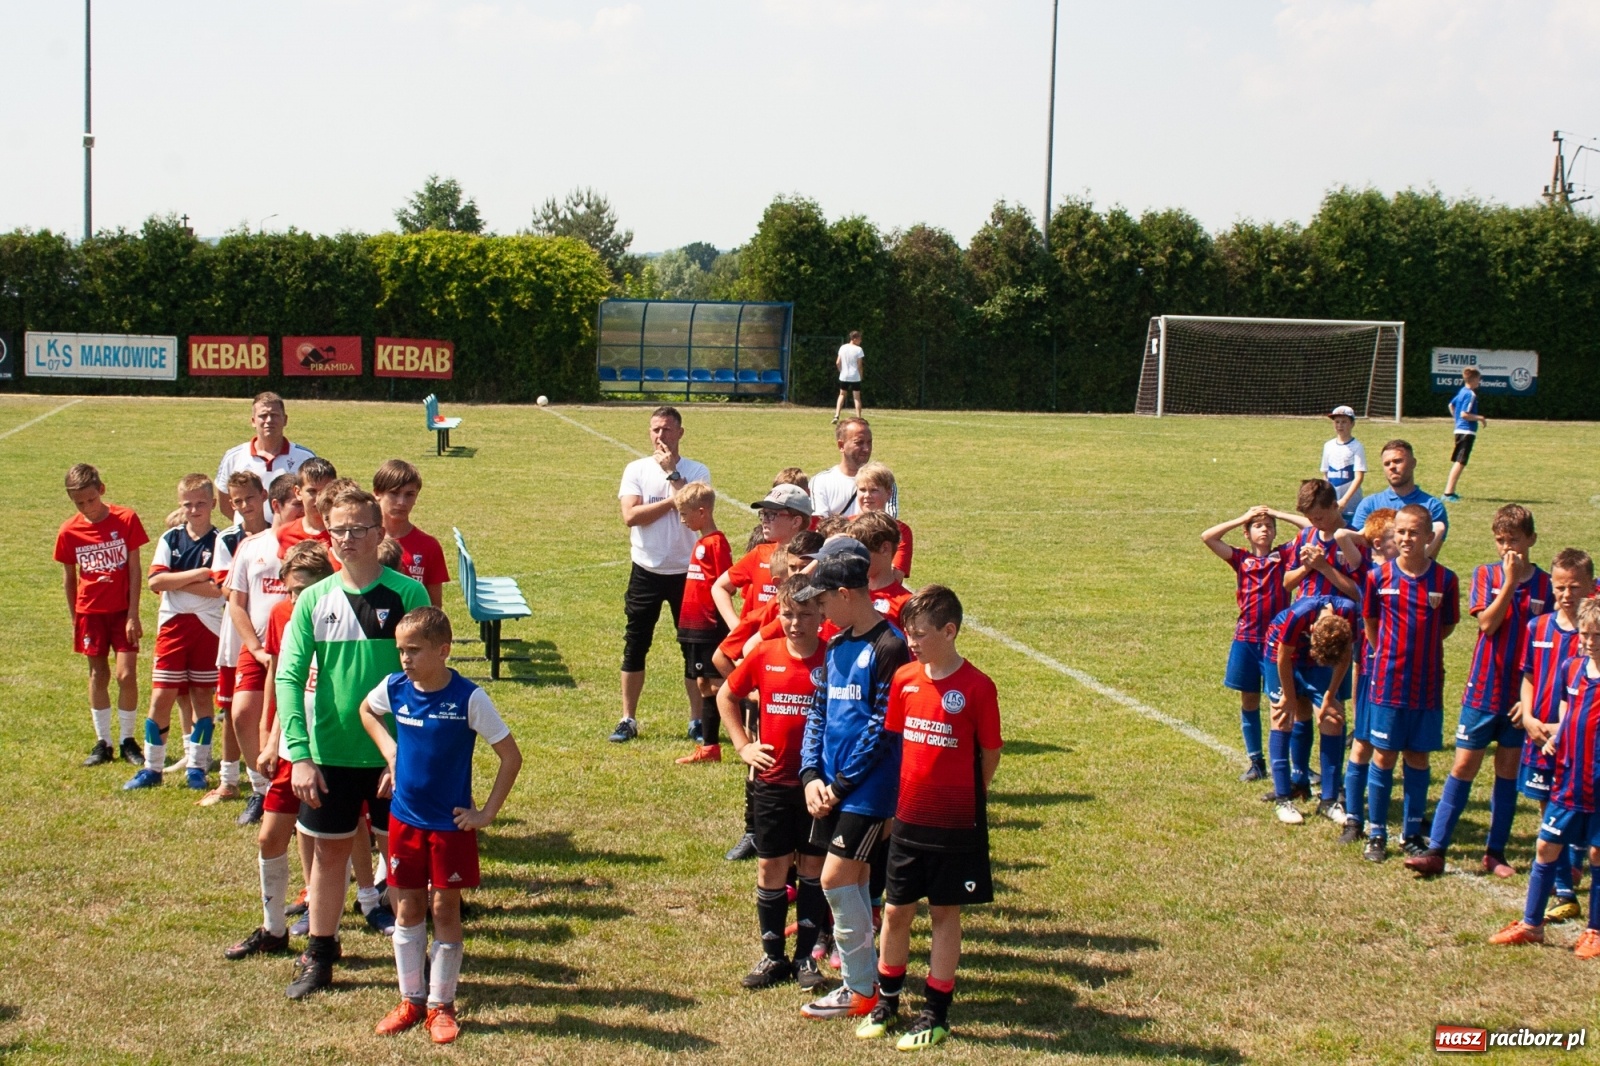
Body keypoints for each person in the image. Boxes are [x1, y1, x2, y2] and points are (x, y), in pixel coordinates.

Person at [276, 483, 431, 999]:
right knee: (329, 857)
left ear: (379, 531)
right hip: (330, 755)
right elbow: (289, 678)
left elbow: (425, 681)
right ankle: (321, 954)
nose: (348, 538)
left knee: (405, 861)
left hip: (394, 756)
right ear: (328, 536)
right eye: (339, 529)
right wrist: (299, 754)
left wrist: (403, 752)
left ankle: (416, 959)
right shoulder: (314, 600)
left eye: (359, 529)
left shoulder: (408, 595)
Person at [362, 606, 522, 1044]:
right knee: (407, 907)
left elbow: (511, 756)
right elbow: (366, 710)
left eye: (414, 650)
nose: (405, 659)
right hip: (403, 820)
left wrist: (485, 813)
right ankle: (411, 998)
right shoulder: (395, 688)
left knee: (444, 909)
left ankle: (441, 1004)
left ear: (444, 650)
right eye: (400, 651)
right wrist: (391, 754)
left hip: (449, 826)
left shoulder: (468, 698)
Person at [858, 585, 1001, 1050]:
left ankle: (935, 1013)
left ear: (950, 630)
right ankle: (887, 1002)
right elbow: (899, 746)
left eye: (919, 634)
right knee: (896, 911)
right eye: (907, 632)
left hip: (955, 822)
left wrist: (967, 797)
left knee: (944, 912)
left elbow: (989, 753)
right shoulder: (904, 680)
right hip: (908, 820)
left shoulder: (978, 687)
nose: (912, 642)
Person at [796, 537, 911, 1021]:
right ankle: (865, 987)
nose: (820, 613)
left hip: (868, 791)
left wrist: (840, 785)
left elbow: (883, 728)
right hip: (830, 786)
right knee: (853, 882)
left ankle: (858, 986)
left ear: (845, 593)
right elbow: (818, 713)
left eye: (822, 602)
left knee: (836, 878)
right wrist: (808, 776)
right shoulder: (838, 644)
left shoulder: (890, 647)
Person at [1407, 505, 1551, 879]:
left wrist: (1531, 700)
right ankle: (1436, 849)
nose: (1508, 550)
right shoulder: (1487, 575)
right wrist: (1509, 582)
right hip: (1483, 690)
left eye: (1515, 541)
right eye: (1501, 542)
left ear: (1532, 540)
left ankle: (1495, 852)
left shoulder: (1547, 586)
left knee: (1506, 771)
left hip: (1521, 697)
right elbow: (1487, 623)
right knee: (1463, 766)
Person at [224, 540, 335, 963]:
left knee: (328, 841)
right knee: (270, 836)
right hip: (293, 744)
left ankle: (328, 927)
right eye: (289, 591)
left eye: (304, 590)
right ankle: (273, 929)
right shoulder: (281, 615)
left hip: (331, 746)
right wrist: (270, 734)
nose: (295, 599)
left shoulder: (341, 615)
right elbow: (278, 673)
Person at [717, 574, 829, 991]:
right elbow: (727, 695)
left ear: (822, 614)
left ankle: (805, 959)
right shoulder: (765, 653)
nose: (795, 623)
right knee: (771, 866)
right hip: (773, 781)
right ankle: (772, 956)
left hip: (815, 786)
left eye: (804, 614)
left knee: (813, 868)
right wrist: (744, 745)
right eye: (787, 614)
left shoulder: (833, 658)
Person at [1488, 596, 1600, 957]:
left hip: (1597, 783)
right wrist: (1554, 736)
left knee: (1597, 853)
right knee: (1545, 846)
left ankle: (1595, 931)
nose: (1590, 641)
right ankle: (1532, 925)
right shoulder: (1571, 668)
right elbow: (1568, 717)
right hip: (1569, 777)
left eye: (1597, 634)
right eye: (1585, 633)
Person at [1360, 504, 1460, 863]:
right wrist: (1385, 652)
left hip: (1427, 684)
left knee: (1418, 756)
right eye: (1400, 532)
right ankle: (1375, 832)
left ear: (1429, 537)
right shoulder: (1378, 578)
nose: (1406, 538)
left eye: (1414, 532)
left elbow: (1446, 627)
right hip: (1388, 681)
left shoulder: (1445, 580)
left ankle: (1412, 830)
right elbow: (1371, 621)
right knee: (1384, 755)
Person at [613, 406, 712, 744]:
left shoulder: (697, 470)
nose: (661, 437)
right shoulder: (636, 469)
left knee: (693, 649)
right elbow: (631, 516)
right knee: (635, 644)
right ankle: (628, 718)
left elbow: (696, 512)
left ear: (680, 433)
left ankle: (696, 720)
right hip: (646, 569)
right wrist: (673, 501)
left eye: (667, 430)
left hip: (687, 572)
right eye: (655, 430)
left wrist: (673, 476)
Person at [125, 474, 227, 791]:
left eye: (200, 504)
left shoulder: (222, 541)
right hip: (173, 625)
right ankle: (152, 767)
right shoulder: (171, 539)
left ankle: (197, 766)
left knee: (201, 697)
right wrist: (197, 574)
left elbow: (219, 590)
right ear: (180, 505)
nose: (194, 510)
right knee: (161, 695)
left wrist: (177, 580)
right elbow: (156, 582)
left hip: (208, 627)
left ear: (212, 504)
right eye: (187, 504)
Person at [1512, 549, 1595, 922]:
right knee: (1549, 810)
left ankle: (1571, 879)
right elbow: (1528, 675)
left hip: (1578, 745)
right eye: (1559, 587)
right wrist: (1528, 715)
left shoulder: (1592, 632)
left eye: (1574, 587)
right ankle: (1564, 888)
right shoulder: (1539, 627)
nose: (1565, 594)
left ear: (1592, 587)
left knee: (1579, 816)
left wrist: (1564, 728)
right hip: (1541, 734)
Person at [1201, 505, 1306, 782]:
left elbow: (1309, 528)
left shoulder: (1283, 556)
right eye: (1258, 526)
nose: (1265, 529)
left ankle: (1296, 765)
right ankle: (1256, 761)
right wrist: (1242, 518)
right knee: (1249, 699)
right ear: (1247, 534)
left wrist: (1278, 513)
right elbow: (1208, 537)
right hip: (1246, 638)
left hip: (1276, 642)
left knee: (1282, 703)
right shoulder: (1241, 559)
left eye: (1269, 526)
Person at [57, 463, 149, 768]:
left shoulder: (125, 519)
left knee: (126, 674)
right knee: (98, 674)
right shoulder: (69, 530)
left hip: (121, 612)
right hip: (90, 613)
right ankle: (103, 742)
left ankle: (127, 739)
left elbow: (135, 569)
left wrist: (133, 613)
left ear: (102, 490)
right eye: (79, 503)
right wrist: (74, 617)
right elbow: (69, 578)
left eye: (91, 500)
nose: (87, 507)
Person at [225, 475, 304, 825]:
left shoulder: (312, 546)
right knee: (243, 714)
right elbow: (236, 603)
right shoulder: (252, 546)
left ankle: (289, 791)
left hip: (299, 647)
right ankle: (260, 788)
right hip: (259, 646)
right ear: (277, 506)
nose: (305, 510)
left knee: (283, 718)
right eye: (296, 504)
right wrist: (256, 648)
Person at [202, 473, 267, 807]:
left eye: (249, 498)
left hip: (268, 631)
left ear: (263, 495)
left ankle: (267, 784)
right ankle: (230, 780)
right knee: (230, 708)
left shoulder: (276, 534)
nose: (244, 506)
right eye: (237, 501)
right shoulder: (228, 539)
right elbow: (225, 587)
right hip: (235, 631)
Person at [1263, 598, 1355, 825]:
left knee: (1332, 721)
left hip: (1321, 660)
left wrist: (1330, 695)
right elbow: (1283, 656)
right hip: (1282, 652)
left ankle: (1330, 799)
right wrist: (1287, 695)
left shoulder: (1349, 612)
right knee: (1283, 717)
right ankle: (1283, 798)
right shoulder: (1298, 615)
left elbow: (1345, 656)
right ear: (1312, 630)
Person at [1339, 508, 1399, 846]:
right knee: (1363, 740)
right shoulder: (1368, 569)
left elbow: (1433, 529)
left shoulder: (1409, 571)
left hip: (1399, 667)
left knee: (1391, 745)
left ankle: (1395, 817)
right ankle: (1352, 811)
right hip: (1371, 662)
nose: (1404, 541)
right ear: (1379, 542)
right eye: (1396, 536)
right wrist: (1369, 536)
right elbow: (1341, 536)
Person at [710, 485, 812, 681]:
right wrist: (736, 626)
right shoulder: (760, 554)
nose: (765, 519)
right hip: (759, 651)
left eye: (772, 514)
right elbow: (720, 587)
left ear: (796, 521)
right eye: (764, 513)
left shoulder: (814, 559)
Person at [673, 482, 733, 764]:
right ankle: (710, 746)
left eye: (685, 514)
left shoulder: (716, 543)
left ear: (702, 512)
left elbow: (725, 585)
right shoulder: (701, 542)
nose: (682, 519)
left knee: (716, 683)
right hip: (692, 627)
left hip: (708, 627)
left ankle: (744, 724)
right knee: (702, 683)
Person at [215, 392, 316, 525]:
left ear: (285, 419)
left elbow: (315, 499)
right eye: (263, 416)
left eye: (274, 415)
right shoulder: (233, 456)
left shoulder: (306, 457)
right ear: (253, 421)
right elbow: (225, 504)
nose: (269, 420)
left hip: (291, 537)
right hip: (248, 537)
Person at [1351, 440, 1448, 558]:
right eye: (1387, 464)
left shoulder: (1432, 507)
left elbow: (1429, 556)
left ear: (1413, 463)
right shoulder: (1369, 504)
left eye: (1397, 461)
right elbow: (1357, 547)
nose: (1392, 467)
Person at [373, 459, 449, 609]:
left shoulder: (429, 546)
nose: (401, 502)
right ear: (377, 493)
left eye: (409, 494)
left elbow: (435, 608)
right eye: (394, 493)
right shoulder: (364, 540)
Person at [1285, 479, 1366, 601]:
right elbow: (1287, 584)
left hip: (1339, 614)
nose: (1315, 524)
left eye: (1319, 518)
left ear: (1334, 506)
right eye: (1310, 520)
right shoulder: (1305, 536)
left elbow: (1361, 593)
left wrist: (1323, 567)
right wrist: (1306, 567)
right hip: (1305, 612)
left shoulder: (1355, 539)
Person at [813, 418, 885, 519]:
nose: (866, 449)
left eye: (869, 442)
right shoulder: (821, 481)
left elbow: (888, 523)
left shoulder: (883, 479)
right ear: (841, 445)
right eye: (859, 442)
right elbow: (818, 526)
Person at [854, 462, 912, 583]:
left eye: (874, 490)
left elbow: (896, 577)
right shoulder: (846, 525)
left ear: (889, 494)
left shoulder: (900, 530)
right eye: (862, 490)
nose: (867, 496)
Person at [854, 511, 914, 627]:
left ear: (885, 548)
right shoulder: (847, 595)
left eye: (861, 551)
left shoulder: (906, 604)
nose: (854, 558)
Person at [276, 459, 339, 561]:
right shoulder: (286, 533)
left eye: (324, 491)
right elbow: (287, 575)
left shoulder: (343, 532)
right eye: (312, 491)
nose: (319, 498)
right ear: (298, 492)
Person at [1442, 367, 1484, 503]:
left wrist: (1456, 421)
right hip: (1466, 431)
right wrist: (1480, 418)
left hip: (1460, 430)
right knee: (1460, 462)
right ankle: (1448, 493)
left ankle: (1450, 492)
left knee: (1459, 461)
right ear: (1473, 379)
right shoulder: (1470, 394)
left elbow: (1451, 405)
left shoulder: (1462, 391)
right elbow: (1464, 414)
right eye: (1478, 379)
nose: (1479, 382)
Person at [1320, 405, 1367, 526]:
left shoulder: (1357, 446)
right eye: (1337, 422)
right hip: (1333, 502)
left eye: (1344, 422)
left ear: (1352, 424)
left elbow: (1359, 477)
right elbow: (1326, 474)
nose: (1340, 425)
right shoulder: (1328, 446)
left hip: (1351, 504)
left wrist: (1345, 500)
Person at [834, 330, 865, 424]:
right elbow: (859, 365)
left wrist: (841, 371)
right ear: (854, 339)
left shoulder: (843, 347)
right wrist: (861, 375)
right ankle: (859, 418)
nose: (860, 340)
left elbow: (837, 362)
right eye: (859, 338)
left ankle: (836, 415)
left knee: (842, 395)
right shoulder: (858, 349)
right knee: (856, 397)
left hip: (844, 376)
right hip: (855, 376)